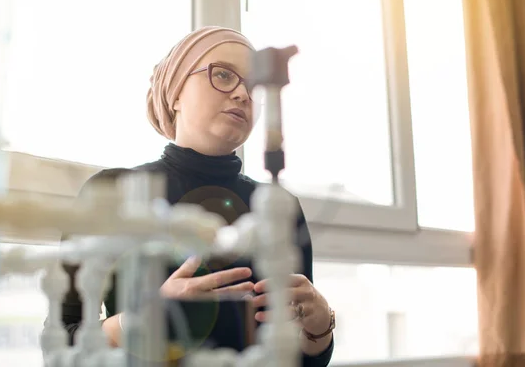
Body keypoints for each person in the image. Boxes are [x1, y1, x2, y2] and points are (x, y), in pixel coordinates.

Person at [60, 26, 334, 366]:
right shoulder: (111, 194)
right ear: (176, 94)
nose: (242, 94)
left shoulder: (280, 207)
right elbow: (60, 346)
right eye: (222, 74)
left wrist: (321, 324)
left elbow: (302, 360)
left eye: (253, 85)